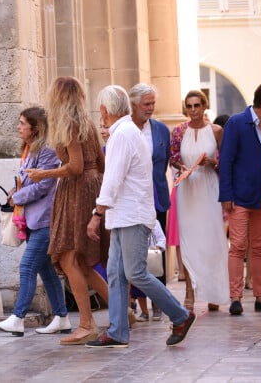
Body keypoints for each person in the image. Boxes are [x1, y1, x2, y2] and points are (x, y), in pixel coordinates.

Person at [86, 85, 195, 348]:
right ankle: (117, 331)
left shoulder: (122, 135)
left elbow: (113, 178)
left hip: (131, 215)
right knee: (116, 273)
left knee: (135, 272)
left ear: (104, 110)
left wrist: (97, 213)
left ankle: (180, 315)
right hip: (125, 215)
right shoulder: (124, 132)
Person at [26, 77, 109, 345]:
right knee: (81, 263)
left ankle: (86, 324)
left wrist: (43, 173)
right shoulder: (87, 123)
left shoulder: (69, 125)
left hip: (77, 190)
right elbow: (101, 163)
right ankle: (124, 311)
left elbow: (75, 167)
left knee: (68, 259)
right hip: (91, 187)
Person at [0, 107, 70, 336]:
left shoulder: (47, 151)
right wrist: (16, 188)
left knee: (27, 267)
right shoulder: (29, 150)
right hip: (32, 219)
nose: (18, 127)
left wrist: (18, 196)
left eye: (23, 123)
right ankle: (62, 317)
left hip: (45, 218)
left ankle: (18, 318)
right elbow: (27, 180)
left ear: (36, 128)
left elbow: (44, 185)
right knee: (47, 271)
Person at [219, 81, 261, 316]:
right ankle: (235, 298)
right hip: (239, 195)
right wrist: (225, 195)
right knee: (237, 246)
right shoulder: (237, 123)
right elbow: (225, 161)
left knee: (259, 247)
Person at [170, 90, 229, 311]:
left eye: (197, 105)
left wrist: (213, 162)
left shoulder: (217, 131)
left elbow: (225, 162)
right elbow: (173, 157)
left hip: (209, 187)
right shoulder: (178, 131)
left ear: (204, 106)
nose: (193, 110)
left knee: (213, 240)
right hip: (187, 190)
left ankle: (214, 293)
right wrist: (180, 166)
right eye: (189, 106)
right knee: (188, 241)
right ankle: (190, 293)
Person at [128, 83, 171, 321]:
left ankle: (160, 302)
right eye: (147, 104)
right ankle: (138, 301)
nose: (151, 108)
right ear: (134, 105)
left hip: (156, 196)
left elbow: (161, 165)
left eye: (153, 103)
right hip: (133, 199)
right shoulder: (124, 129)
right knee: (136, 250)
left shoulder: (162, 130)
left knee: (158, 249)